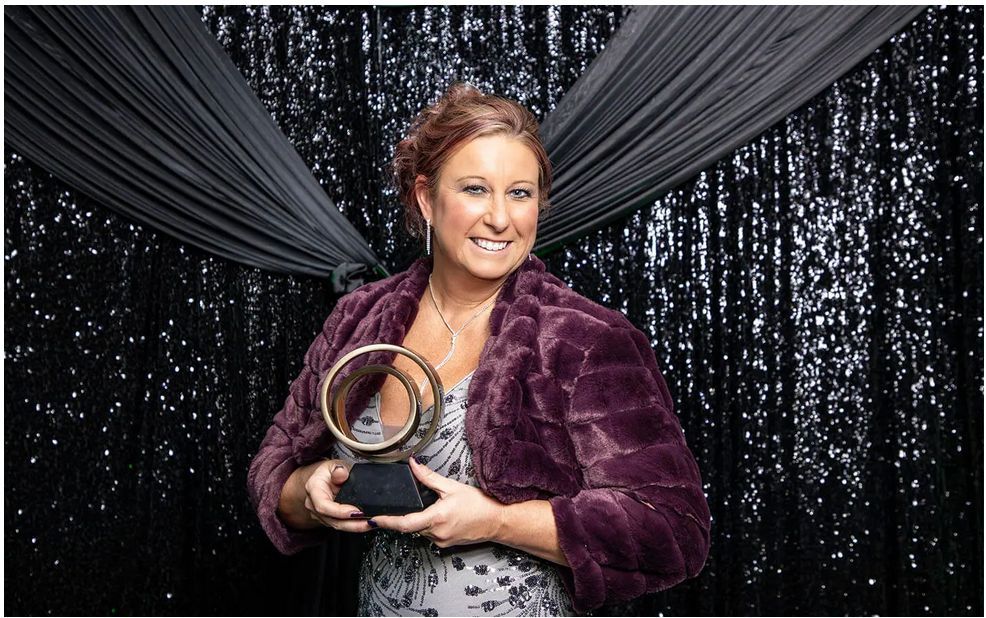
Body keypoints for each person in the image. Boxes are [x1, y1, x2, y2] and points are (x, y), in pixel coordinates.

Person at [247, 82, 711, 616]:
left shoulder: (583, 337)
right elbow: (274, 466)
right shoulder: (360, 316)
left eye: (520, 193)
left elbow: (672, 528)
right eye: (474, 189)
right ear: (426, 197)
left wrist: (498, 521)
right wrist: (308, 492)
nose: (500, 218)